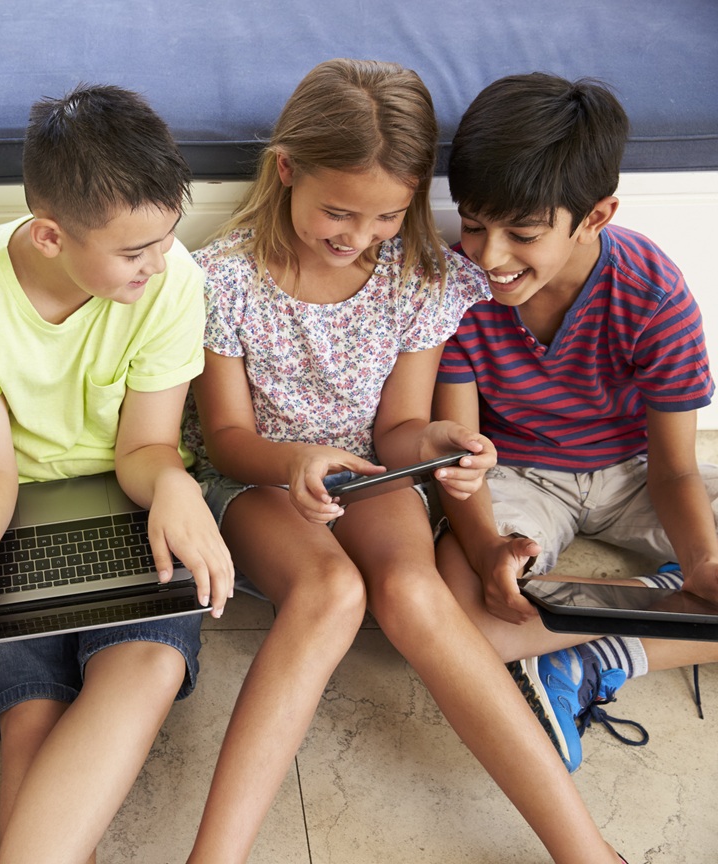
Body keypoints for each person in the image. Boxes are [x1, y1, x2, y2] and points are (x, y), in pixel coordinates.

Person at [185, 59, 630, 864]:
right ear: (287, 170)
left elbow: (398, 428)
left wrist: (440, 446)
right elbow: (224, 438)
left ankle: (586, 850)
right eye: (339, 212)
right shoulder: (224, 279)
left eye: (389, 214)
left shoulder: (415, 276)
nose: (360, 236)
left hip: (372, 472)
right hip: (257, 479)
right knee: (331, 592)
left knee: (416, 595)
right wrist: (296, 461)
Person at [0, 84, 233, 864]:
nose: (157, 265)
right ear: (51, 236)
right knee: (32, 712)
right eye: (132, 252)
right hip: (9, 510)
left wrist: (180, 488)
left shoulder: (173, 280)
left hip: (130, 500)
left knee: (148, 663)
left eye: (166, 239)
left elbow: (145, 448)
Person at [435, 72, 718, 774]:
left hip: (636, 471)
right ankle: (660, 607)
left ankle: (604, 655)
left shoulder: (653, 294)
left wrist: (704, 562)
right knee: (457, 620)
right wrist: (489, 551)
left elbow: (674, 467)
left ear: (595, 216)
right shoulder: (456, 291)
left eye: (522, 234)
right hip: (518, 474)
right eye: (473, 223)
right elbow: (461, 458)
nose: (489, 256)